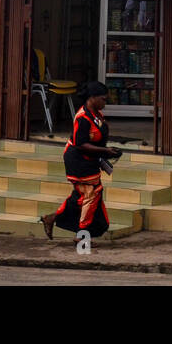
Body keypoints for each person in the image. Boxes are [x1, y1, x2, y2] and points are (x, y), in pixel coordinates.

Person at [42, 82, 121, 240]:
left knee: (82, 195)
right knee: (91, 193)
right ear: (92, 98)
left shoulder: (97, 114)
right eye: (103, 99)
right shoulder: (82, 117)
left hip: (90, 160)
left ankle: (52, 218)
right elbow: (80, 144)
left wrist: (106, 151)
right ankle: (82, 234)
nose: (105, 103)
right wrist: (105, 151)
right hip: (78, 160)